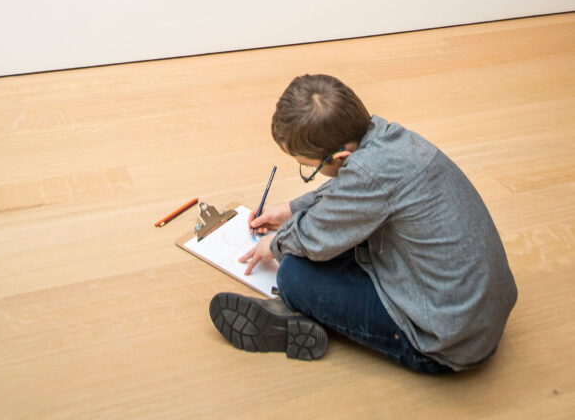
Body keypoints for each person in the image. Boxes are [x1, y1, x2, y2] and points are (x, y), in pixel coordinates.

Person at [209, 74, 517, 372]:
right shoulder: (384, 138)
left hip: (446, 341)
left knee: (293, 273)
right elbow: (351, 191)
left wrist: (273, 244)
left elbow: (316, 235)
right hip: (473, 313)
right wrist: (289, 210)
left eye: (308, 168)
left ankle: (292, 313)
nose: (308, 173)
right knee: (341, 242)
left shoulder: (369, 176)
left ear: (341, 156)